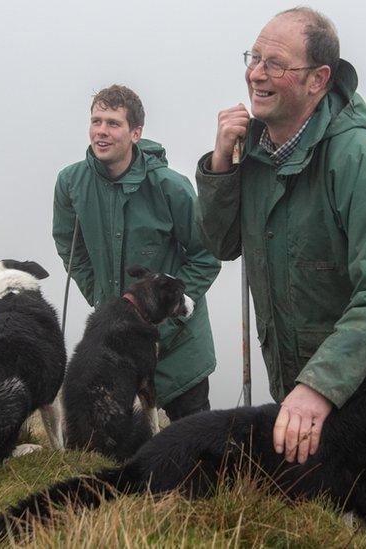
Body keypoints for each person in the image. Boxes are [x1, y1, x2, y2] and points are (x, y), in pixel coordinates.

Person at [196, 8, 366, 466]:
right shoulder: (254, 155)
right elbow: (222, 245)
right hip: (297, 397)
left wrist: (320, 384)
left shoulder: (362, 159)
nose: (255, 73)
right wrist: (221, 166)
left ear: (318, 79)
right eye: (254, 57)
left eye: (274, 64)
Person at [53, 84, 221, 421]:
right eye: (96, 120)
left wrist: (166, 311)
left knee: (195, 448)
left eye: (113, 123)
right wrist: (103, 300)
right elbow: (69, 247)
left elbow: (207, 255)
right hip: (115, 345)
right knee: (119, 449)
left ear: (136, 133)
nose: (101, 131)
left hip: (179, 344)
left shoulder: (170, 186)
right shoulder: (70, 183)